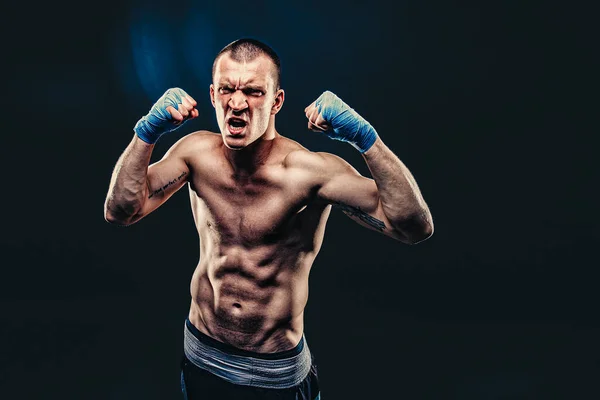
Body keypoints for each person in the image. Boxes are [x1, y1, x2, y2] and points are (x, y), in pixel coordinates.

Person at [104, 38, 433, 400]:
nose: (238, 103)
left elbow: (412, 226)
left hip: (275, 374)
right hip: (202, 355)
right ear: (213, 95)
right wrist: (145, 133)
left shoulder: (308, 172)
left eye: (254, 92)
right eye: (227, 89)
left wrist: (366, 139)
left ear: (276, 101)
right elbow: (121, 210)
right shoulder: (195, 154)